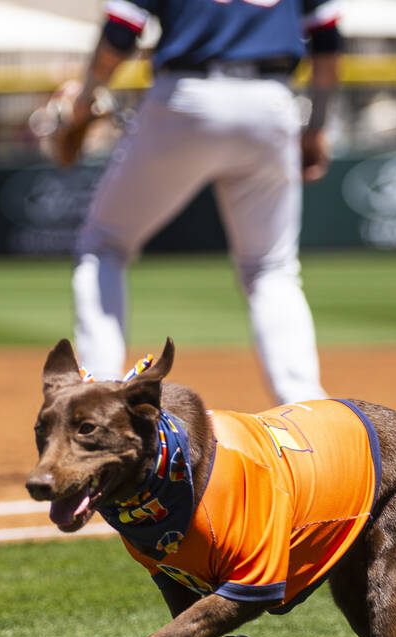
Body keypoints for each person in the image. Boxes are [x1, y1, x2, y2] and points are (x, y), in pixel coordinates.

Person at [53, 0, 342, 406]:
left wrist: (85, 99)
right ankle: (305, 407)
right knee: (270, 268)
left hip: (187, 97)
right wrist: (318, 126)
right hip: (271, 101)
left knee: (104, 245)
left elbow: (121, 30)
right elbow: (327, 40)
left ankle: (98, 396)